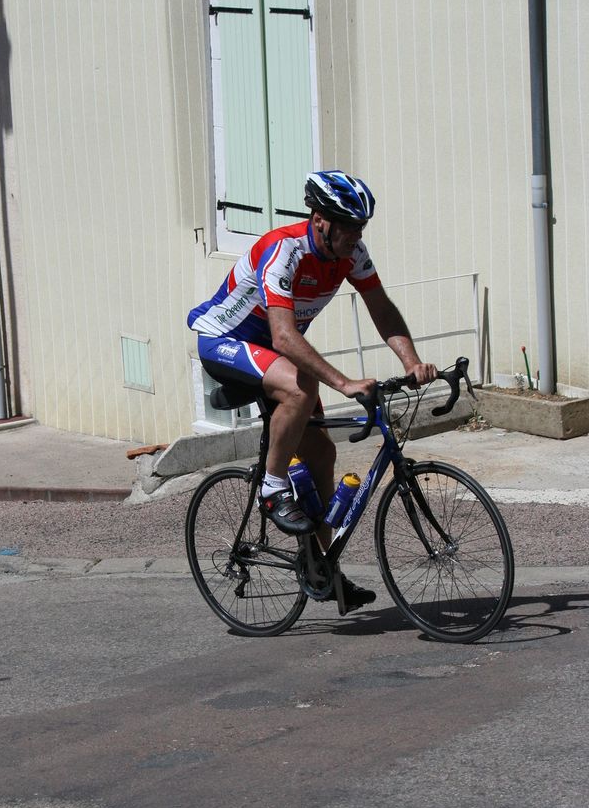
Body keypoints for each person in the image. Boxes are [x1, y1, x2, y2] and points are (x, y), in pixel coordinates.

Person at [187, 169, 437, 609]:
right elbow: (284, 337)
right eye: (349, 226)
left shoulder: (351, 254)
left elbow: (381, 308)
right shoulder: (284, 250)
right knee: (302, 388)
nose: (356, 236)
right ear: (320, 220)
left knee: (322, 454)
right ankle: (271, 488)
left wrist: (411, 362)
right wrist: (344, 383)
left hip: (275, 355)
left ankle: (325, 571)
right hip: (225, 342)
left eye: (361, 227)